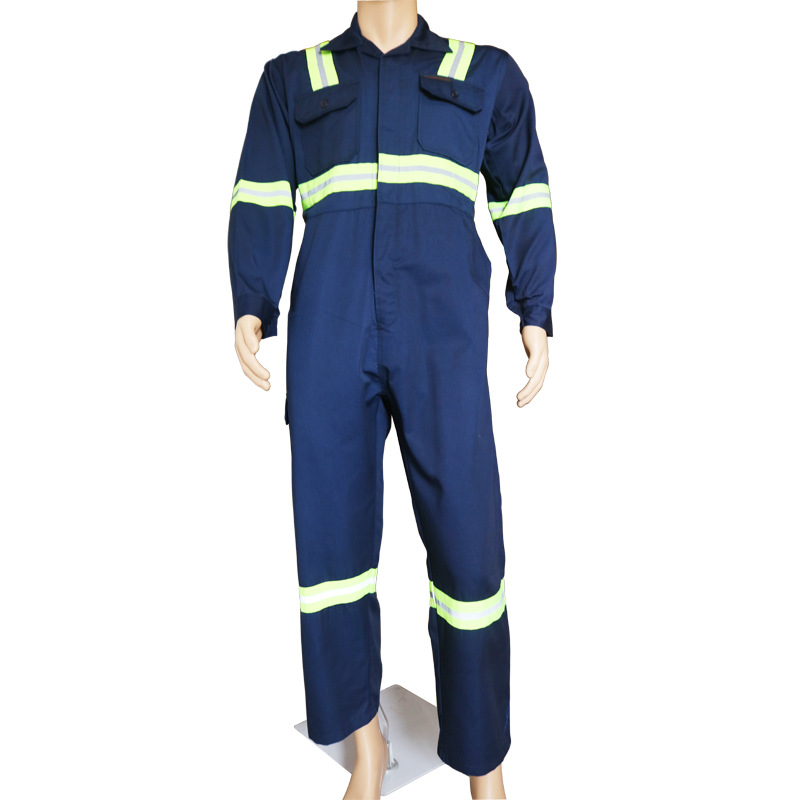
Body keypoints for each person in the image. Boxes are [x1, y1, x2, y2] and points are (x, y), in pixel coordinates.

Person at [227, 3, 556, 797]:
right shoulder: (292, 79)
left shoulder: (485, 73)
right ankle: (365, 742)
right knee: (331, 552)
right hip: (331, 332)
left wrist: (536, 309)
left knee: (470, 548)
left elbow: (524, 194)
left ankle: (483, 759)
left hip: (442, 338)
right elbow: (260, 196)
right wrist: (251, 302)